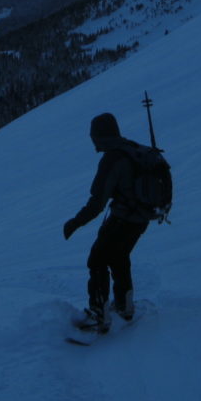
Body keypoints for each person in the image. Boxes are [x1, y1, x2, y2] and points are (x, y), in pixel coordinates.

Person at [63, 112, 150, 330]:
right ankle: (125, 306)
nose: (92, 142)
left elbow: (97, 203)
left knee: (97, 259)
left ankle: (98, 314)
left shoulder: (112, 159)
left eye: (94, 137)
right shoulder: (131, 148)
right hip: (141, 217)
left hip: (124, 218)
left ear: (100, 136)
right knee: (119, 256)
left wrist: (75, 222)